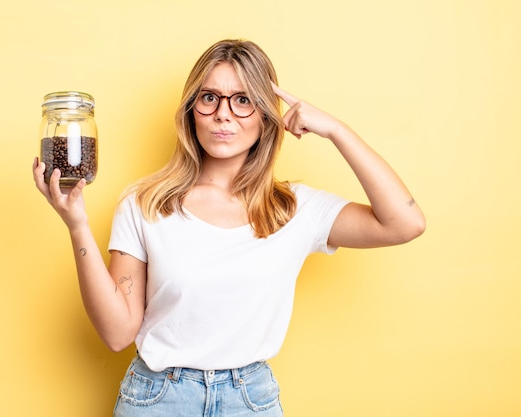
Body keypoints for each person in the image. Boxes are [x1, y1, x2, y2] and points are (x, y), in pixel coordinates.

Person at [33, 39, 425, 416]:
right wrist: (77, 225)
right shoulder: (145, 202)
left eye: (242, 101)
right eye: (209, 98)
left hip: (250, 400)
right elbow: (117, 334)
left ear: (265, 117)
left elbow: (405, 223)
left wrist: (336, 129)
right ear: (191, 110)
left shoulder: (294, 209)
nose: (223, 114)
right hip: (157, 398)